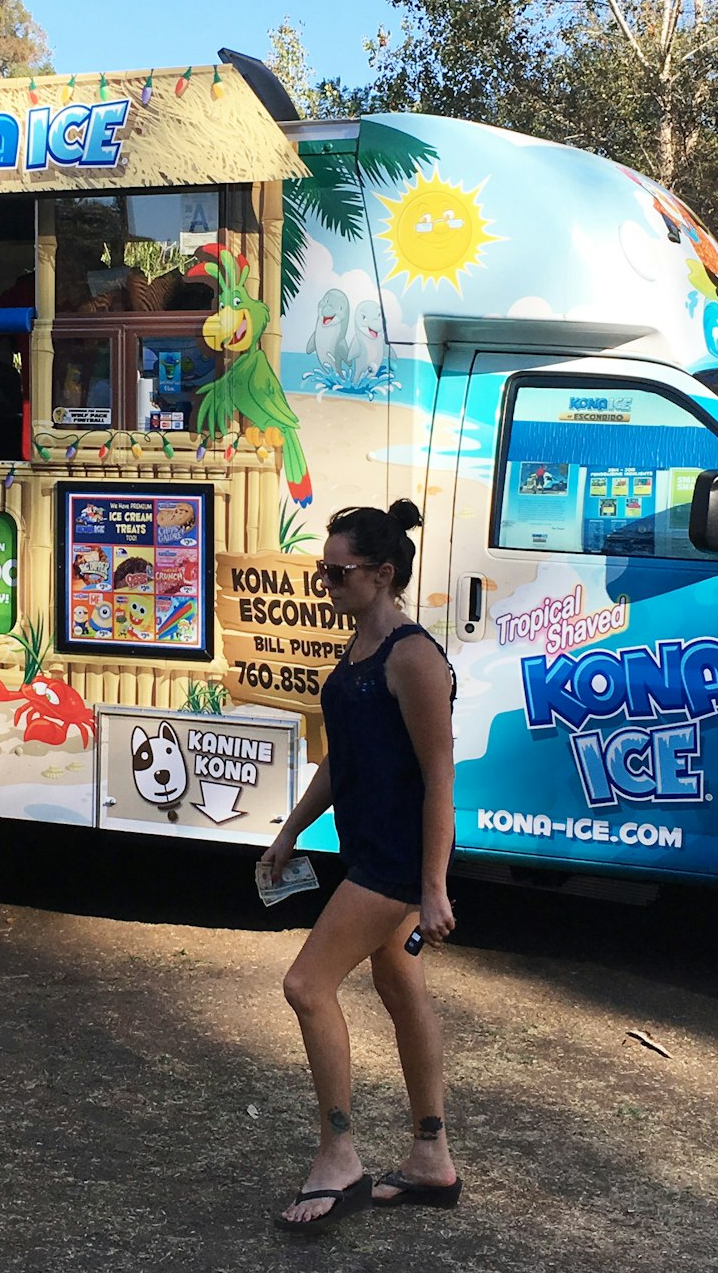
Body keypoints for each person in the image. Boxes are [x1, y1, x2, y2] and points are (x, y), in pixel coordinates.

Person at [261, 499, 461, 1232]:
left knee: (305, 985)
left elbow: (439, 774)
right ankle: (430, 1160)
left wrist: (432, 887)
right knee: (398, 985)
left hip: (393, 863)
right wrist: (289, 831)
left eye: (337, 573)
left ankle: (337, 1157)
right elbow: (341, 762)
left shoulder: (410, 655)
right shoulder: (356, 651)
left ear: (381, 574)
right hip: (369, 851)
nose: (326, 584)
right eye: (321, 571)